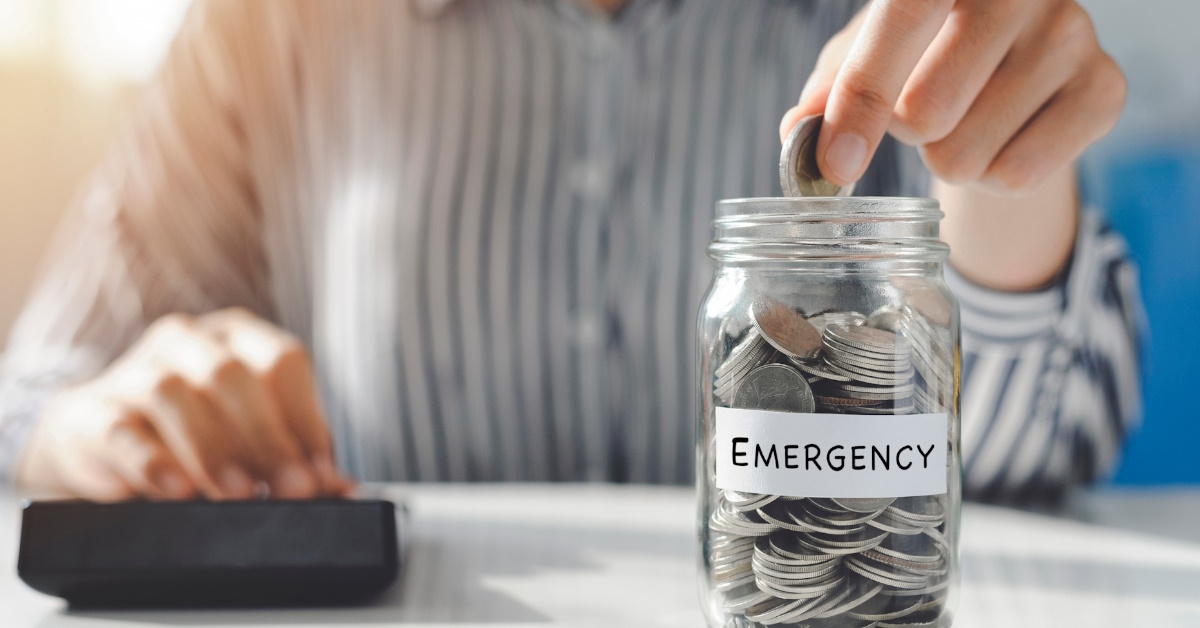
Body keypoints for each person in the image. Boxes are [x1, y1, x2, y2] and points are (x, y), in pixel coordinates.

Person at [0, 0, 1141, 503]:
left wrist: (997, 172)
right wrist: (110, 423)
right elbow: (39, 389)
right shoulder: (276, 21)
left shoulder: (898, 15)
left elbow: (1035, 459)